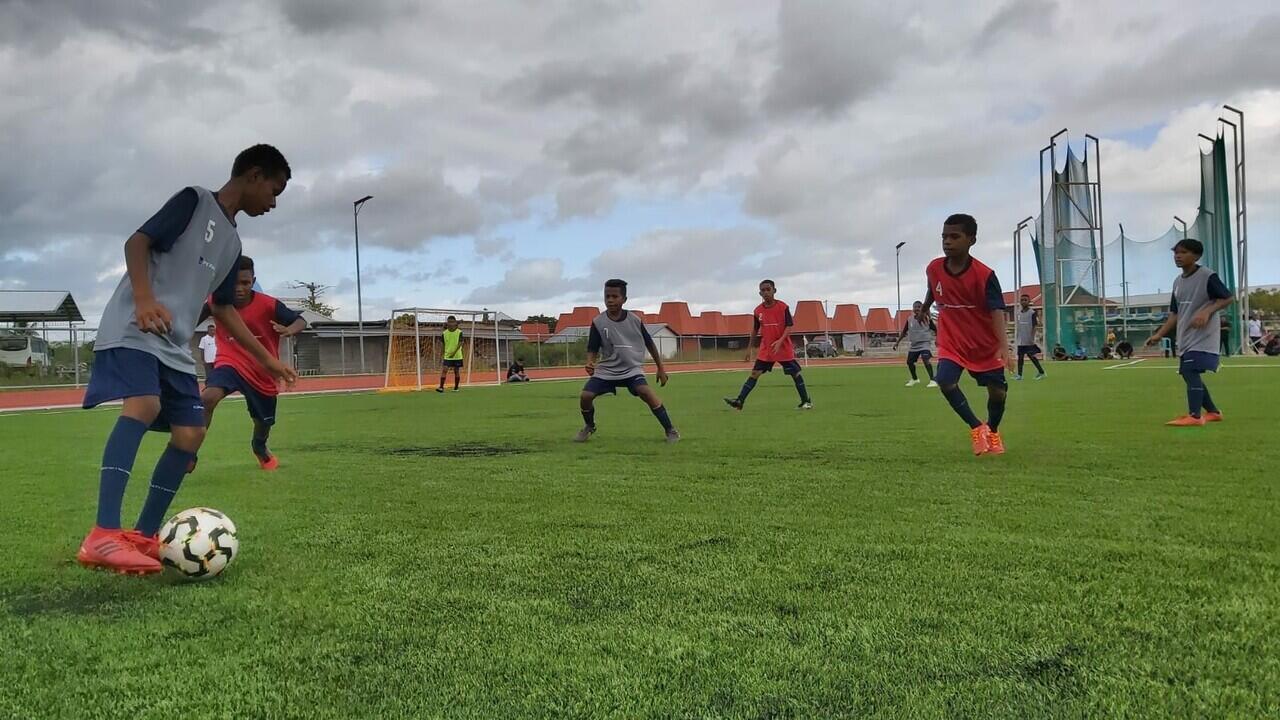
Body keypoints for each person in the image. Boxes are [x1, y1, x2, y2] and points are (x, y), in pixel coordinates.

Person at [77, 144, 296, 575]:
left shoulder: (233, 244)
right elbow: (137, 242)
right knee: (144, 405)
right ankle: (103, 533)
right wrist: (144, 299)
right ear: (253, 175)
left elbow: (223, 309)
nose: (273, 203)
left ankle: (142, 535)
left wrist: (268, 361)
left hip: (174, 344)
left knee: (192, 433)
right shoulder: (195, 201)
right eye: (274, 191)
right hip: (137, 326)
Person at [199, 256, 305, 471]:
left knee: (263, 421)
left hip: (262, 372)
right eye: (234, 282)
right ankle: (188, 451)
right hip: (229, 362)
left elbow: (300, 320)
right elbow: (187, 320)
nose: (239, 288)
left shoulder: (268, 304)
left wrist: (289, 329)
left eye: (245, 283)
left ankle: (259, 446)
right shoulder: (215, 302)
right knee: (207, 398)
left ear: (253, 281)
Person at [921, 213, 1013, 456]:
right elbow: (933, 287)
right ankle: (976, 427)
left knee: (998, 393)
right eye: (944, 236)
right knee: (945, 380)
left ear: (971, 240)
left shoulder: (985, 275)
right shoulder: (933, 268)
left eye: (955, 236)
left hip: (984, 344)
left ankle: (992, 431)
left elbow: (996, 311)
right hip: (952, 340)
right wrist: (925, 306)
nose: (947, 241)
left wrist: (1003, 346)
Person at [575, 279, 679, 443]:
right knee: (586, 396)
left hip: (632, 369)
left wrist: (660, 368)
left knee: (646, 392)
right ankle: (589, 426)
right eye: (607, 296)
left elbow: (650, 344)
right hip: (607, 370)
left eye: (614, 296)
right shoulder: (598, 322)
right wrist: (590, 362)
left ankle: (670, 430)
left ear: (624, 299)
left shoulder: (635, 320)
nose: (610, 300)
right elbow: (592, 347)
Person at [1144, 238, 1234, 426]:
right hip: (1186, 336)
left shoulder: (1207, 276)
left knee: (1189, 370)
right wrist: (1159, 334)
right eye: (1176, 252)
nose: (1178, 256)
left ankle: (1195, 416)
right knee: (1188, 372)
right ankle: (1213, 412)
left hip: (1204, 335)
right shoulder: (1177, 282)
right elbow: (1175, 314)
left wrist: (1207, 311)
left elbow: (1227, 298)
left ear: (1196, 256)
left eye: (1183, 252)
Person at [724, 280, 813, 410]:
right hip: (767, 349)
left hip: (783, 347)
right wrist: (749, 349)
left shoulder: (783, 307)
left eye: (768, 289)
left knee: (795, 373)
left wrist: (780, 341)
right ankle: (739, 401)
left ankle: (806, 401)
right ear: (760, 293)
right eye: (763, 290)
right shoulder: (758, 311)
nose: (766, 292)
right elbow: (755, 330)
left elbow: (789, 326)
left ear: (774, 291)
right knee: (755, 373)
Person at [893, 300, 937, 387]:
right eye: (915, 307)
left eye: (918, 307)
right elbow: (904, 332)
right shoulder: (910, 319)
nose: (916, 309)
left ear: (922, 308)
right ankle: (915, 379)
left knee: (925, 359)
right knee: (909, 362)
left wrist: (938, 339)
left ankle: (933, 380)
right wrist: (897, 343)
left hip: (925, 344)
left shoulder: (926, 318)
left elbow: (935, 329)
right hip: (914, 345)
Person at [1012, 294, 1046, 381]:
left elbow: (1034, 326)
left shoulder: (1032, 313)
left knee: (1031, 356)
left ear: (1029, 301)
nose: (1023, 302)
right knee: (1020, 357)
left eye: (1025, 300)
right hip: (1021, 340)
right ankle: (1019, 375)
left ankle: (1041, 372)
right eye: (1022, 300)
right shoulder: (1019, 313)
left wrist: (1032, 337)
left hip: (1029, 339)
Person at [436, 316, 464, 393]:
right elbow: (443, 345)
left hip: (457, 356)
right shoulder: (444, 333)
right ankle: (441, 387)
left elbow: (460, 343)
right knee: (444, 370)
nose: (450, 323)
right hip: (447, 356)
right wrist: (441, 355)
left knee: (456, 371)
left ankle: (456, 387)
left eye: (452, 322)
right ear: (447, 323)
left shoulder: (459, 332)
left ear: (455, 323)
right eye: (449, 322)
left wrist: (454, 353)